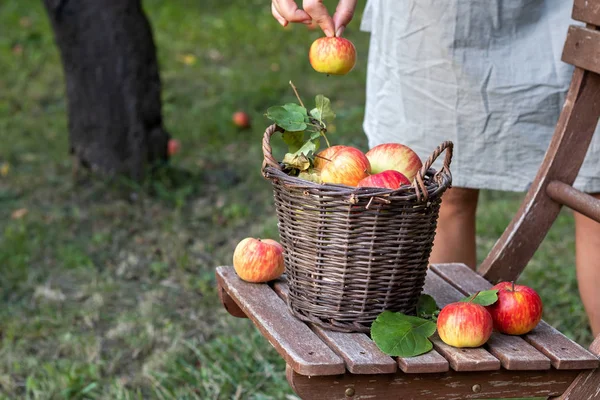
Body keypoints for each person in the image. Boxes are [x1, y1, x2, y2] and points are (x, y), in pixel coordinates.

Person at [270, 0, 600, 338]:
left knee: (592, 179)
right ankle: (449, 347)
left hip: (561, 12)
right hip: (436, 17)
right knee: (439, 194)